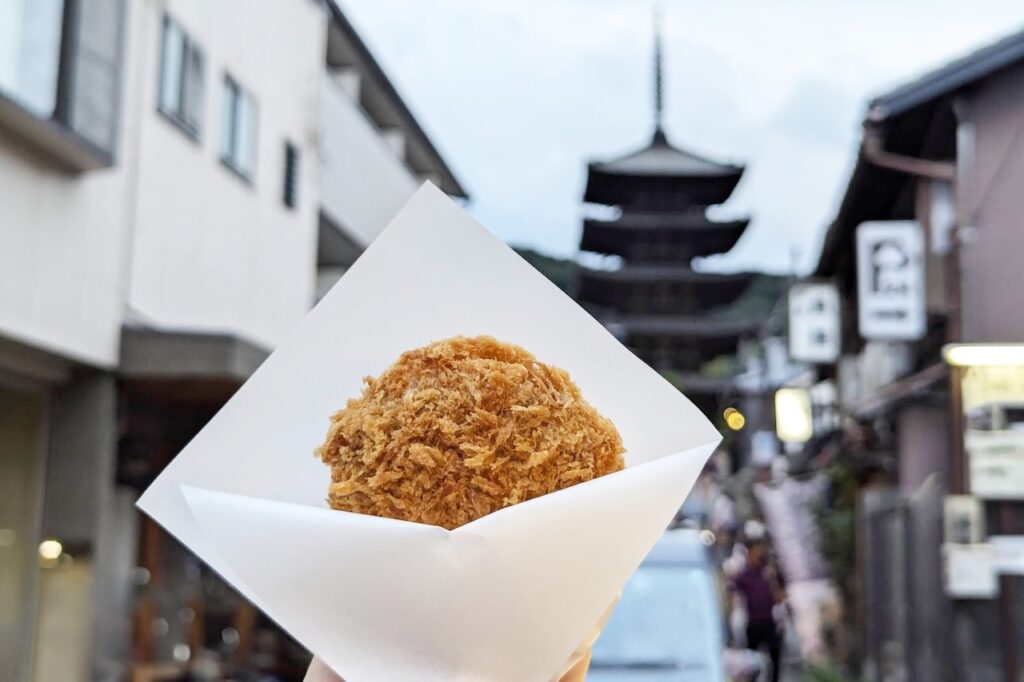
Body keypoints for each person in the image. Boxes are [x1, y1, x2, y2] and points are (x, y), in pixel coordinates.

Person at [730, 538, 785, 682]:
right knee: (750, 662)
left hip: (769, 621)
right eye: (753, 552)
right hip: (753, 623)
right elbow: (731, 588)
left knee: (775, 658)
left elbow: (779, 598)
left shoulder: (768, 573)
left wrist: (772, 581)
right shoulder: (744, 575)